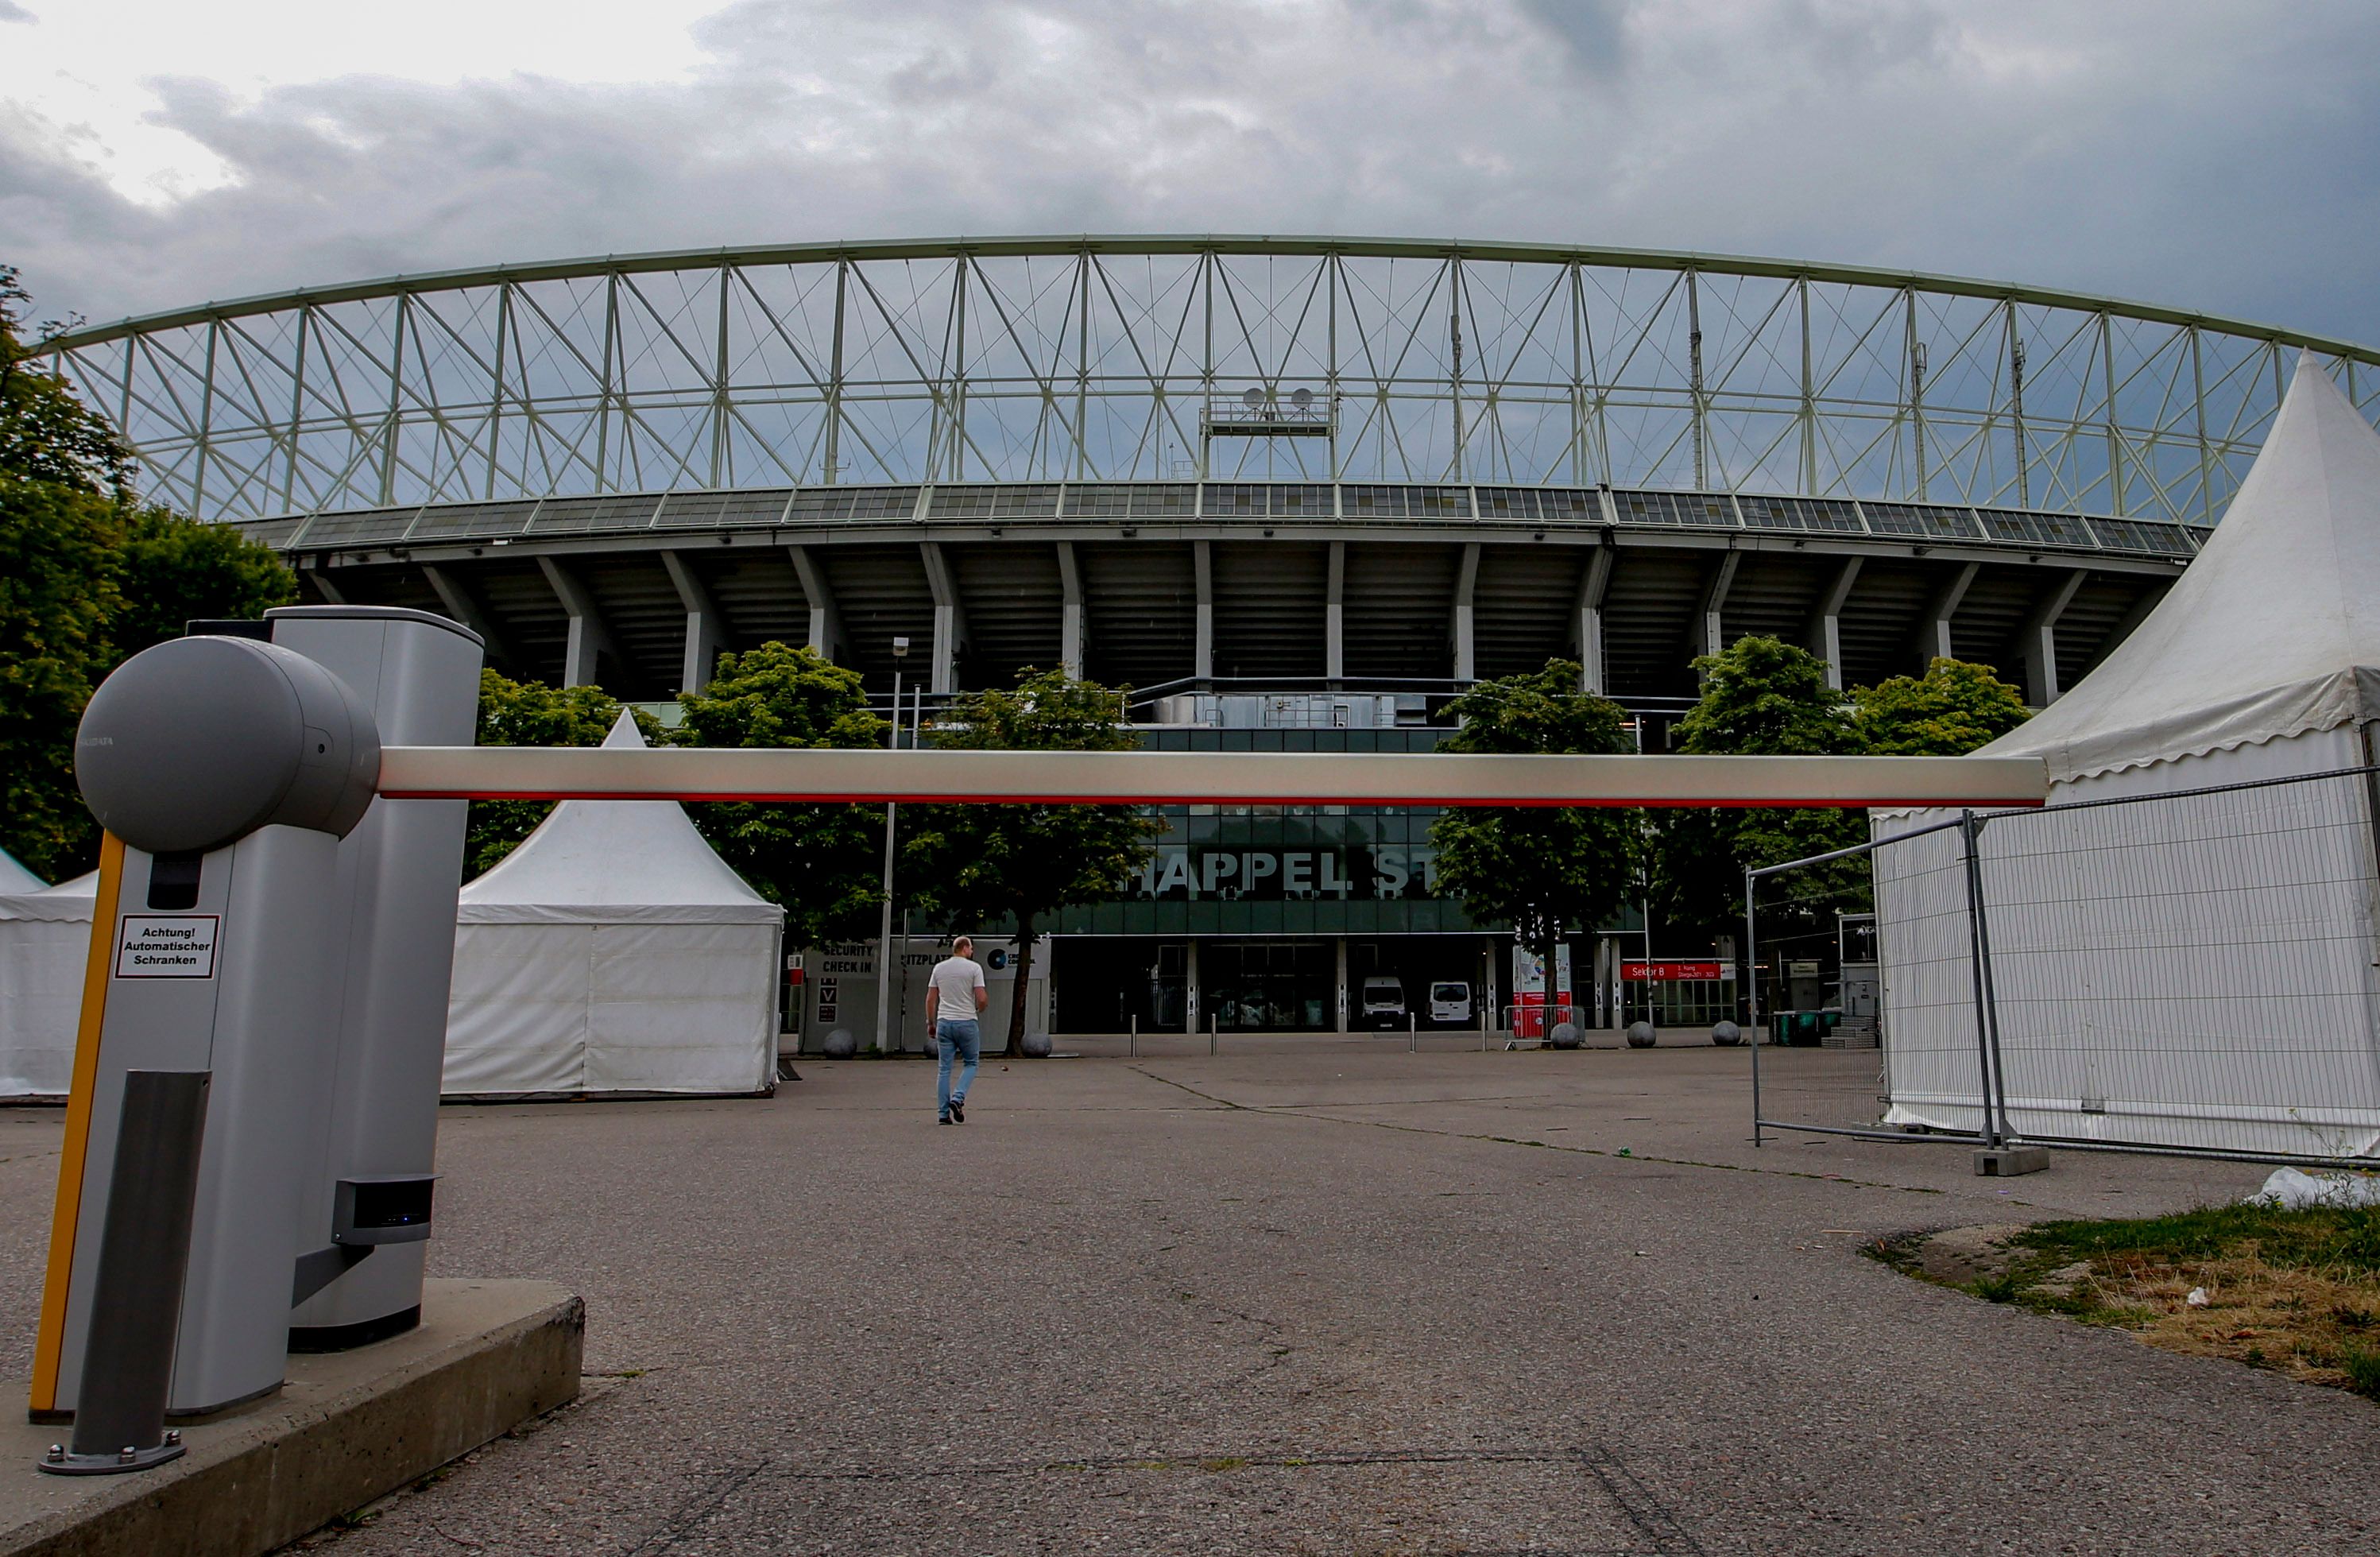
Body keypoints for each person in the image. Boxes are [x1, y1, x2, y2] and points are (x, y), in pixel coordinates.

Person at [926, 935, 989, 1124]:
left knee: (944, 1069)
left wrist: (931, 1023)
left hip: (944, 1022)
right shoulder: (974, 968)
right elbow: (982, 997)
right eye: (971, 949)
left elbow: (930, 999)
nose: (972, 952)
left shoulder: (939, 968)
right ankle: (958, 1097)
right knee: (971, 1063)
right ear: (964, 948)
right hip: (966, 1022)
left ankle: (943, 1115)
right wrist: (980, 1008)